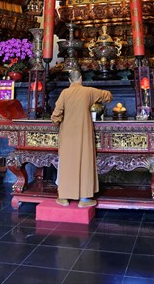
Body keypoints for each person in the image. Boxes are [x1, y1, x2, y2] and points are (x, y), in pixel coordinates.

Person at [51, 69, 112, 207]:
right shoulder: (88, 92)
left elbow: (56, 114)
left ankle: (64, 197)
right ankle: (84, 199)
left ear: (69, 81)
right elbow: (107, 95)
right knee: (85, 163)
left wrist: (57, 120)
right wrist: (100, 103)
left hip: (67, 134)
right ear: (81, 79)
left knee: (66, 163)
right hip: (84, 133)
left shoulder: (65, 93)